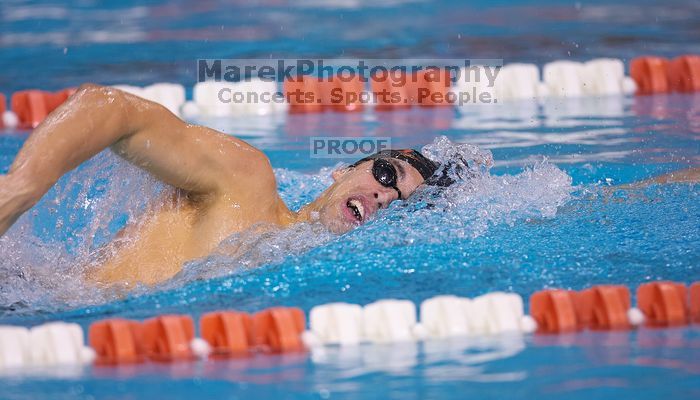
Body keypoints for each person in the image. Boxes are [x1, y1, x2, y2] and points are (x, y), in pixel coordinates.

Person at [0, 84, 442, 286]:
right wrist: (21, 188)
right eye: (385, 175)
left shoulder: (303, 280)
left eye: (399, 205)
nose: (384, 196)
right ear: (341, 171)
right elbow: (111, 108)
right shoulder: (247, 183)